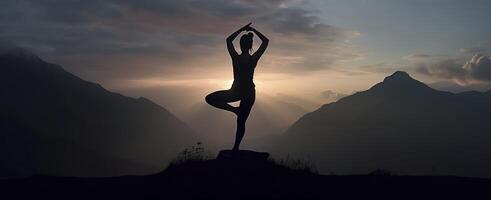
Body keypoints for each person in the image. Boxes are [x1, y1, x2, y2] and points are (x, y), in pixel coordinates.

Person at [205, 22, 269, 151]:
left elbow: (228, 40)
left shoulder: (236, 57)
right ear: (251, 45)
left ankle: (234, 111)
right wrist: (253, 30)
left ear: (240, 45)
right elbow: (266, 41)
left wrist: (242, 29)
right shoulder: (254, 58)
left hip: (235, 91)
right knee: (241, 122)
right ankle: (236, 147)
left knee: (210, 98)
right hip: (249, 93)